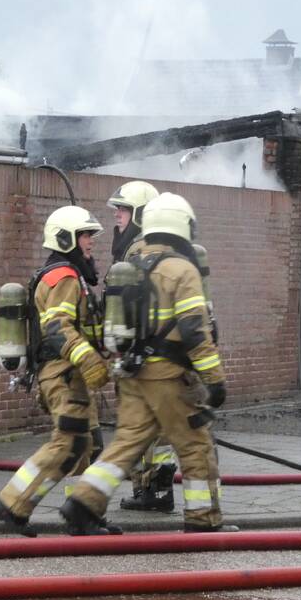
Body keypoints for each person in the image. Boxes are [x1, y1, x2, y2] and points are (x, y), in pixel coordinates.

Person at [60, 193, 232, 534]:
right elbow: (195, 331)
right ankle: (204, 520)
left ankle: (82, 502)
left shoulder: (130, 263)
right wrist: (215, 381)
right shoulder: (182, 270)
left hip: (132, 372)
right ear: (182, 226)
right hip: (168, 377)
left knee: (128, 441)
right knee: (195, 444)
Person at [0, 205, 111, 537]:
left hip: (72, 374)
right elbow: (57, 326)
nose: (91, 242)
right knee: (68, 443)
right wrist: (88, 359)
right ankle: (12, 504)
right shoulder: (63, 277)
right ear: (67, 238)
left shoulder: (71, 276)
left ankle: (82, 514)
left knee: (89, 446)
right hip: (63, 374)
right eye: (86, 235)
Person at [105, 181, 178, 513]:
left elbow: (131, 305)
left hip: (139, 354)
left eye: (122, 210)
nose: (117, 217)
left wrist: (125, 347)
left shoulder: (137, 251)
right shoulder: (149, 247)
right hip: (152, 353)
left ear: (139, 214)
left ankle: (150, 489)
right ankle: (155, 489)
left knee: (139, 422)